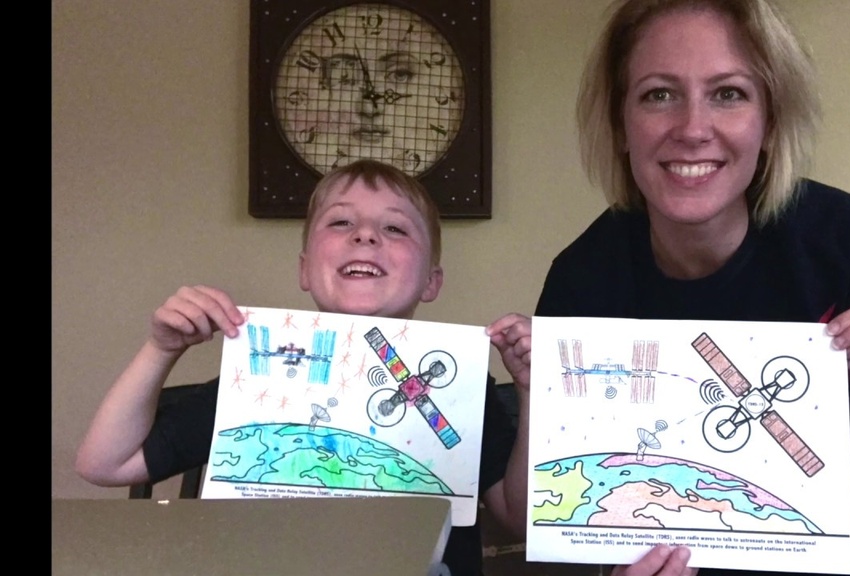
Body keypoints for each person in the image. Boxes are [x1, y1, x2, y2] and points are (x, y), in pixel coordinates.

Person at [75, 159, 694, 576]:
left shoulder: (462, 388)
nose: (366, 236)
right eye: (341, 222)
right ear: (304, 267)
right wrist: (161, 348)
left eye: (395, 228)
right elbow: (104, 464)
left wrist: (535, 392)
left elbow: (516, 515)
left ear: (431, 281)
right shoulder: (256, 379)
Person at [531, 1, 850, 575]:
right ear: (620, 124)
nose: (692, 129)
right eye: (658, 94)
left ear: (769, 122)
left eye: (728, 93)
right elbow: (584, 496)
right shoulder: (582, 280)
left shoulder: (849, 239)